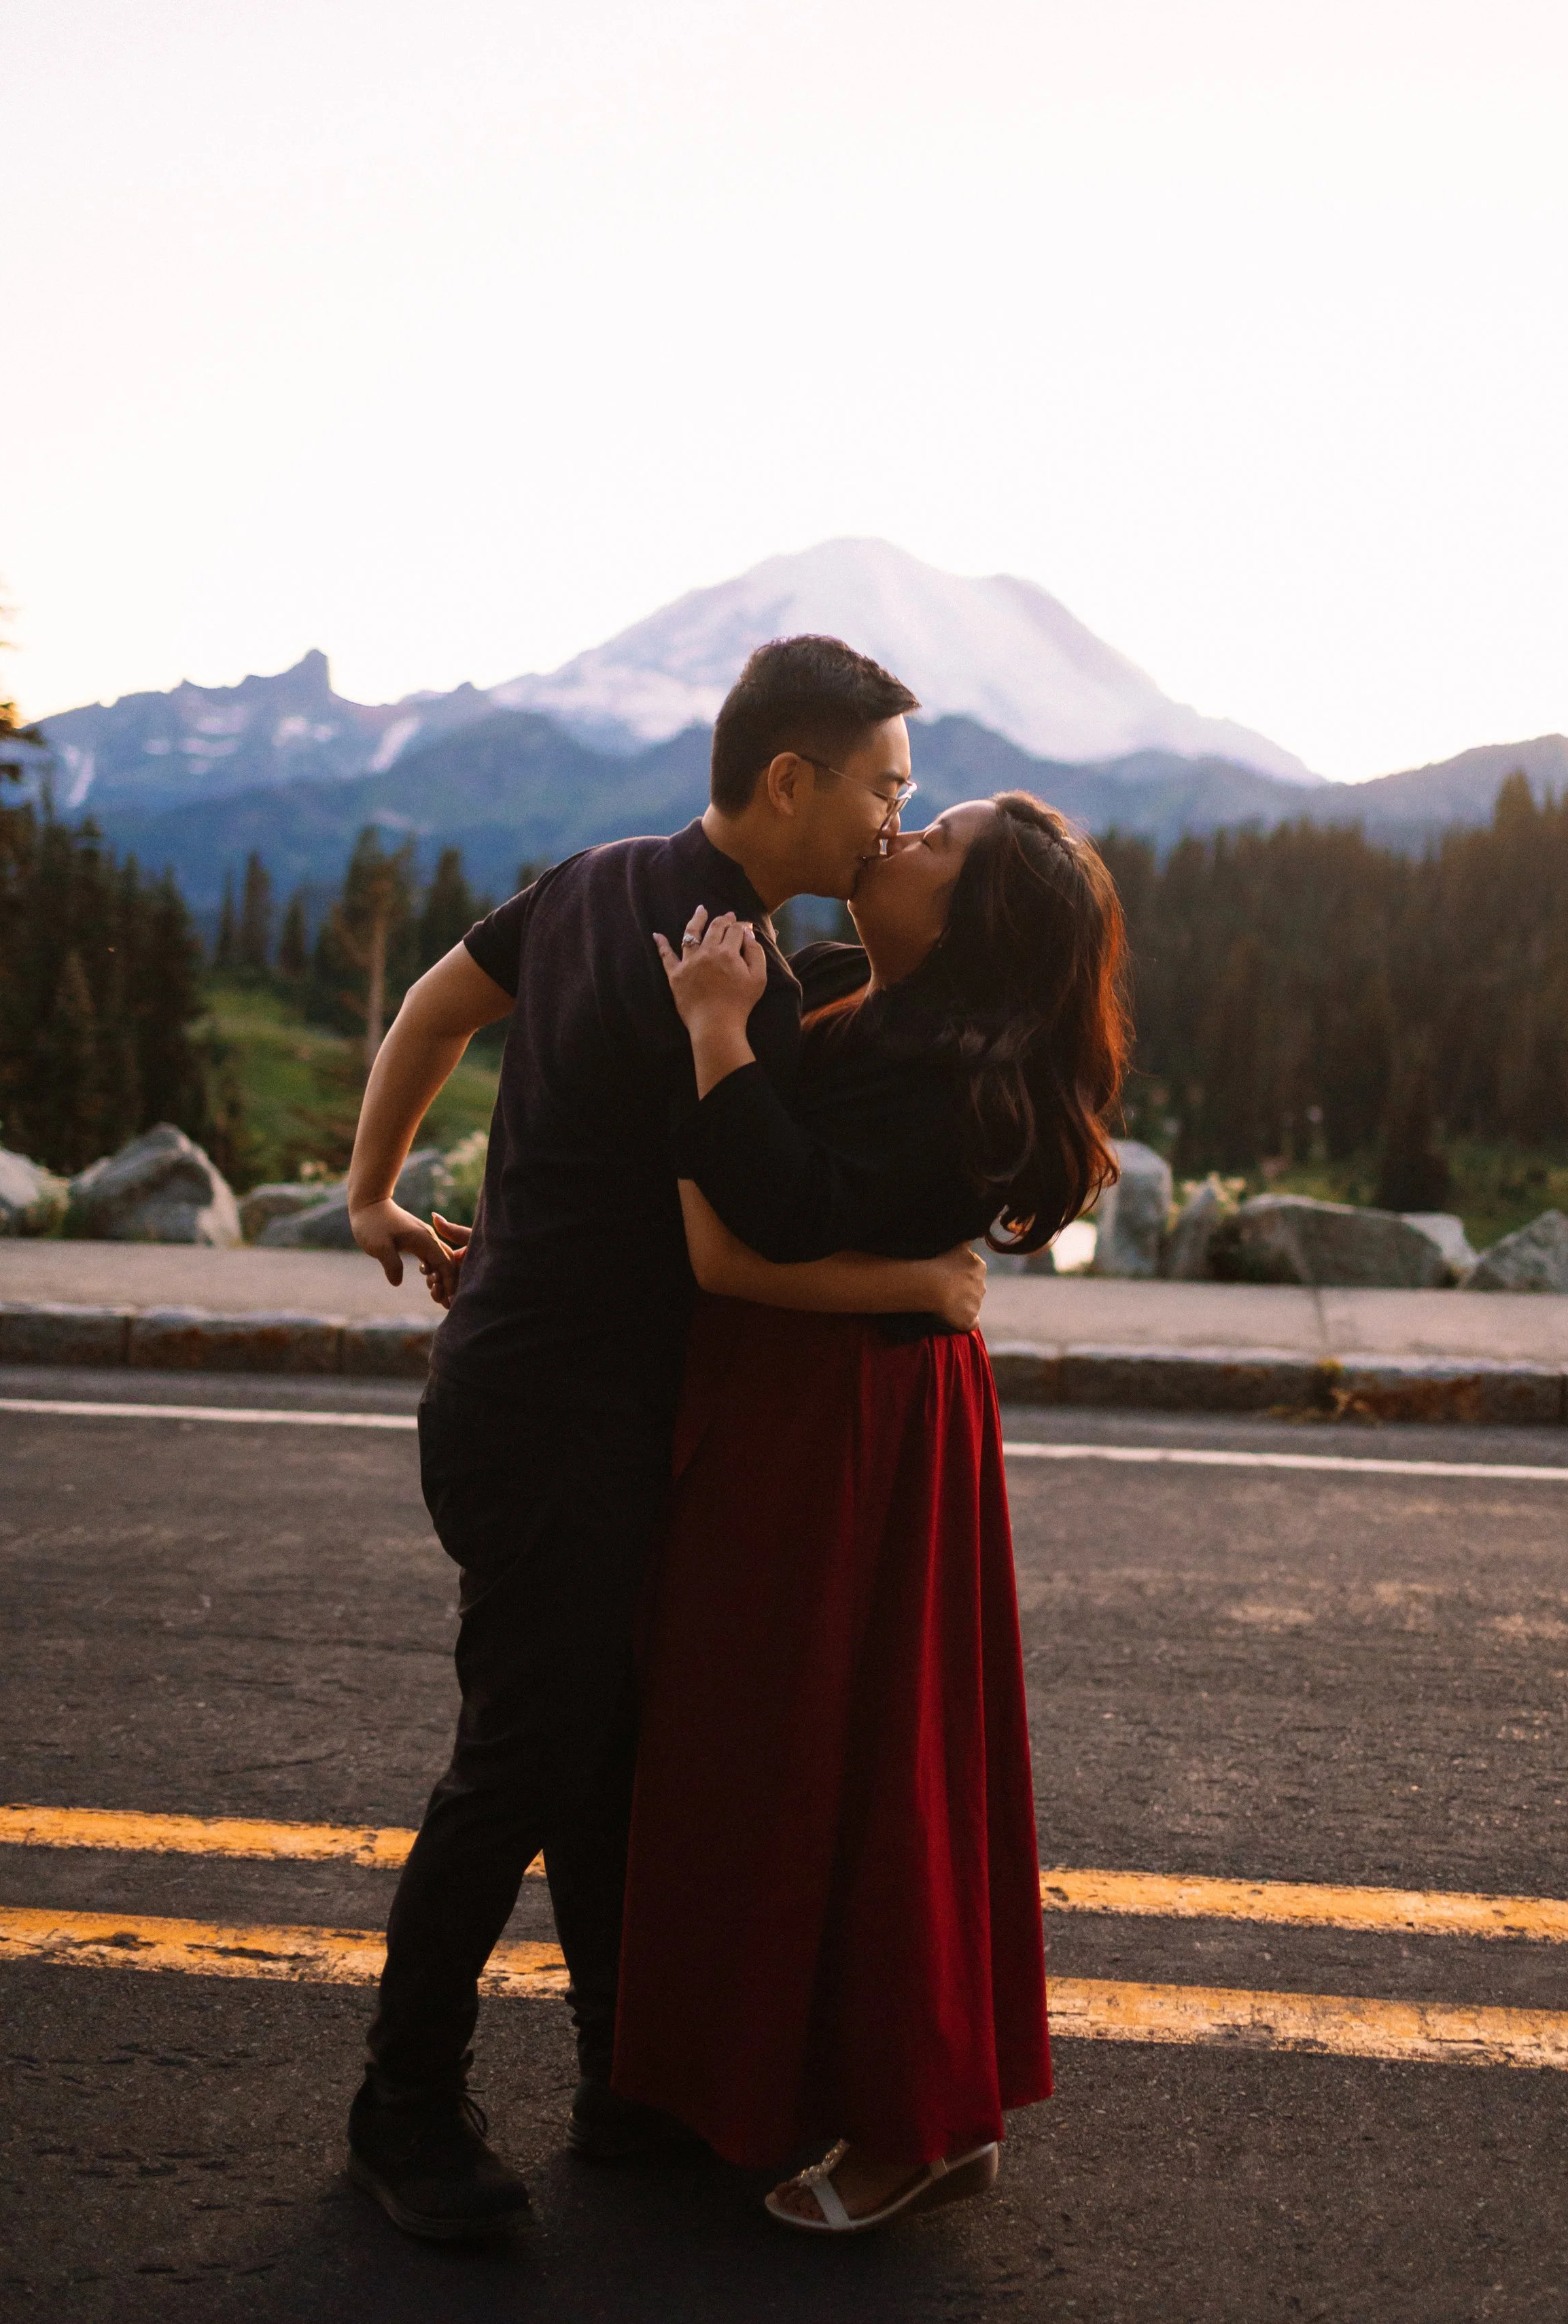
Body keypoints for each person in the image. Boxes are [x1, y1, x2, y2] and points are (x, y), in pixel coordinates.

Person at [341, 636, 992, 2244]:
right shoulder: (725, 968)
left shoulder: (599, 881)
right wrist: (927, 1273)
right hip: (559, 1414)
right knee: (525, 1759)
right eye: (882, 790)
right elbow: (739, 1236)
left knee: (602, 1747)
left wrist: (370, 1189)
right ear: (790, 780)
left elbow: (433, 1006)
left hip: (525, 1393)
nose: (891, 829)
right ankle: (403, 2107)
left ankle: (622, 2083)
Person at [610, 791, 1130, 2234]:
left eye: (933, 842)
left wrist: (715, 1034)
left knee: (860, 1752)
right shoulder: (861, 1002)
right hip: (825, 1398)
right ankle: (806, 2081)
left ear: (975, 919)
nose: (895, 842)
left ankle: (918, 2122)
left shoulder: (954, 1076)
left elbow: (767, 1213)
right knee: (790, 1744)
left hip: (849, 1425)